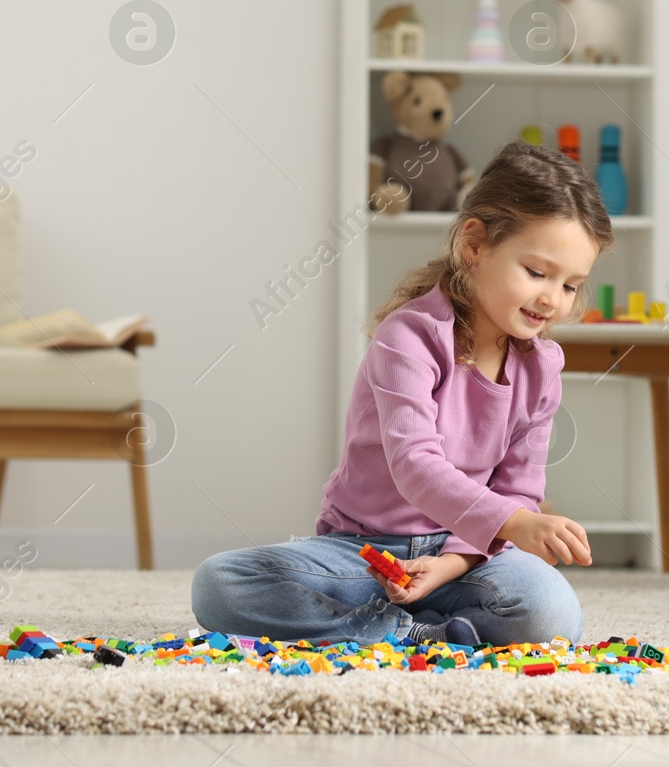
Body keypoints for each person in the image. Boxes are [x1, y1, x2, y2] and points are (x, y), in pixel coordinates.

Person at [191, 140, 614, 647]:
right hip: (363, 554)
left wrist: (453, 562)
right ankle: (405, 629)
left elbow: (518, 487)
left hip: (466, 555)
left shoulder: (542, 367)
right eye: (537, 273)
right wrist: (516, 521)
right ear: (474, 246)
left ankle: (408, 625)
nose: (553, 298)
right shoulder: (407, 338)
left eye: (571, 285)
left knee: (553, 616)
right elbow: (415, 465)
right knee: (219, 586)